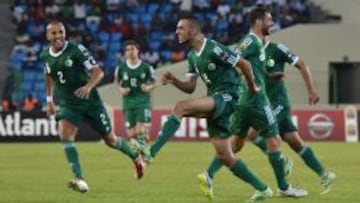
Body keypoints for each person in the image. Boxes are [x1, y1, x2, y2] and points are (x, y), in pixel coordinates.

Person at [133, 14, 274, 202]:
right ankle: (263, 189)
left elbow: (244, 64)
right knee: (226, 157)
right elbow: (190, 87)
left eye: (180, 28)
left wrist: (251, 86)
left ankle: (151, 152)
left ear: (192, 30)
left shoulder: (214, 48)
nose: (176, 32)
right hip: (215, 99)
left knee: (180, 107)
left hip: (228, 97)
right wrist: (174, 81)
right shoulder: (192, 56)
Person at [198, 6, 308, 200]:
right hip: (256, 100)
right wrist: (250, 83)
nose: (272, 23)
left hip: (243, 101)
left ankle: (208, 174)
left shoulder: (256, 43)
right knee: (274, 141)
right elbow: (233, 61)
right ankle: (283, 187)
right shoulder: (250, 41)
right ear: (258, 22)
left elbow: (248, 67)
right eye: (269, 20)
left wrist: (267, 76)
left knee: (237, 143)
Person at [39, 21, 146, 193]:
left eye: (61, 32)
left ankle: (135, 156)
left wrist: (88, 87)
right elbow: (48, 74)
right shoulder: (44, 56)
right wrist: (50, 100)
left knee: (110, 140)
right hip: (69, 104)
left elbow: (98, 72)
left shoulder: (77, 50)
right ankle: (80, 179)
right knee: (65, 135)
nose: (58, 36)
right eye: (53, 33)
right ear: (47, 36)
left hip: (91, 103)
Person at [246, 39, 336, 194]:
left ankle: (283, 170)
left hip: (279, 102)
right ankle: (325, 174)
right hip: (265, 104)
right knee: (295, 142)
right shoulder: (250, 50)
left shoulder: (277, 49)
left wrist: (311, 90)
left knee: (253, 134)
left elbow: (301, 64)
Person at [114, 40, 157, 148]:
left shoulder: (146, 67)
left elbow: (155, 82)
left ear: (138, 51)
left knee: (140, 131)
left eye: (133, 49)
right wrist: (121, 90)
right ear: (125, 53)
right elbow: (116, 82)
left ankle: (141, 158)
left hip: (143, 102)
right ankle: (142, 145)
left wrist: (148, 87)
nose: (130, 52)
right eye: (128, 50)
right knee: (131, 135)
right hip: (128, 103)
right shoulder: (121, 68)